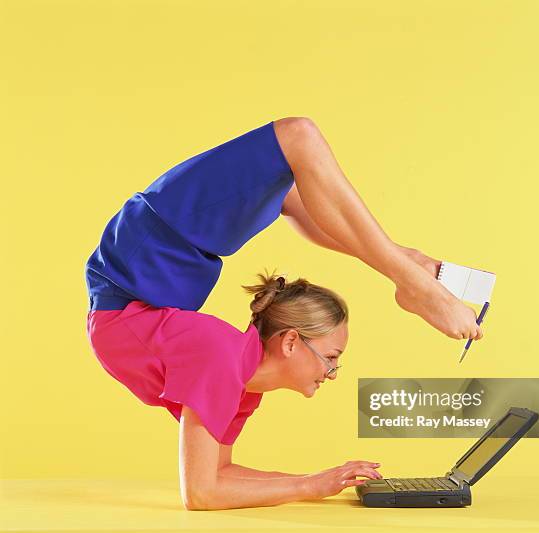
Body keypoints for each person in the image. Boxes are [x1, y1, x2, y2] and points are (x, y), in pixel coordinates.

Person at [85, 117, 483, 511]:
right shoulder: (224, 359)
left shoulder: (235, 375)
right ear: (290, 339)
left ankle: (405, 265)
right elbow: (203, 493)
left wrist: (317, 482)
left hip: (157, 265)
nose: (332, 372)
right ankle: (410, 275)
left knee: (291, 183)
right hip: (154, 253)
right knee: (297, 146)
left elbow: (217, 479)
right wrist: (309, 486)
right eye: (331, 357)